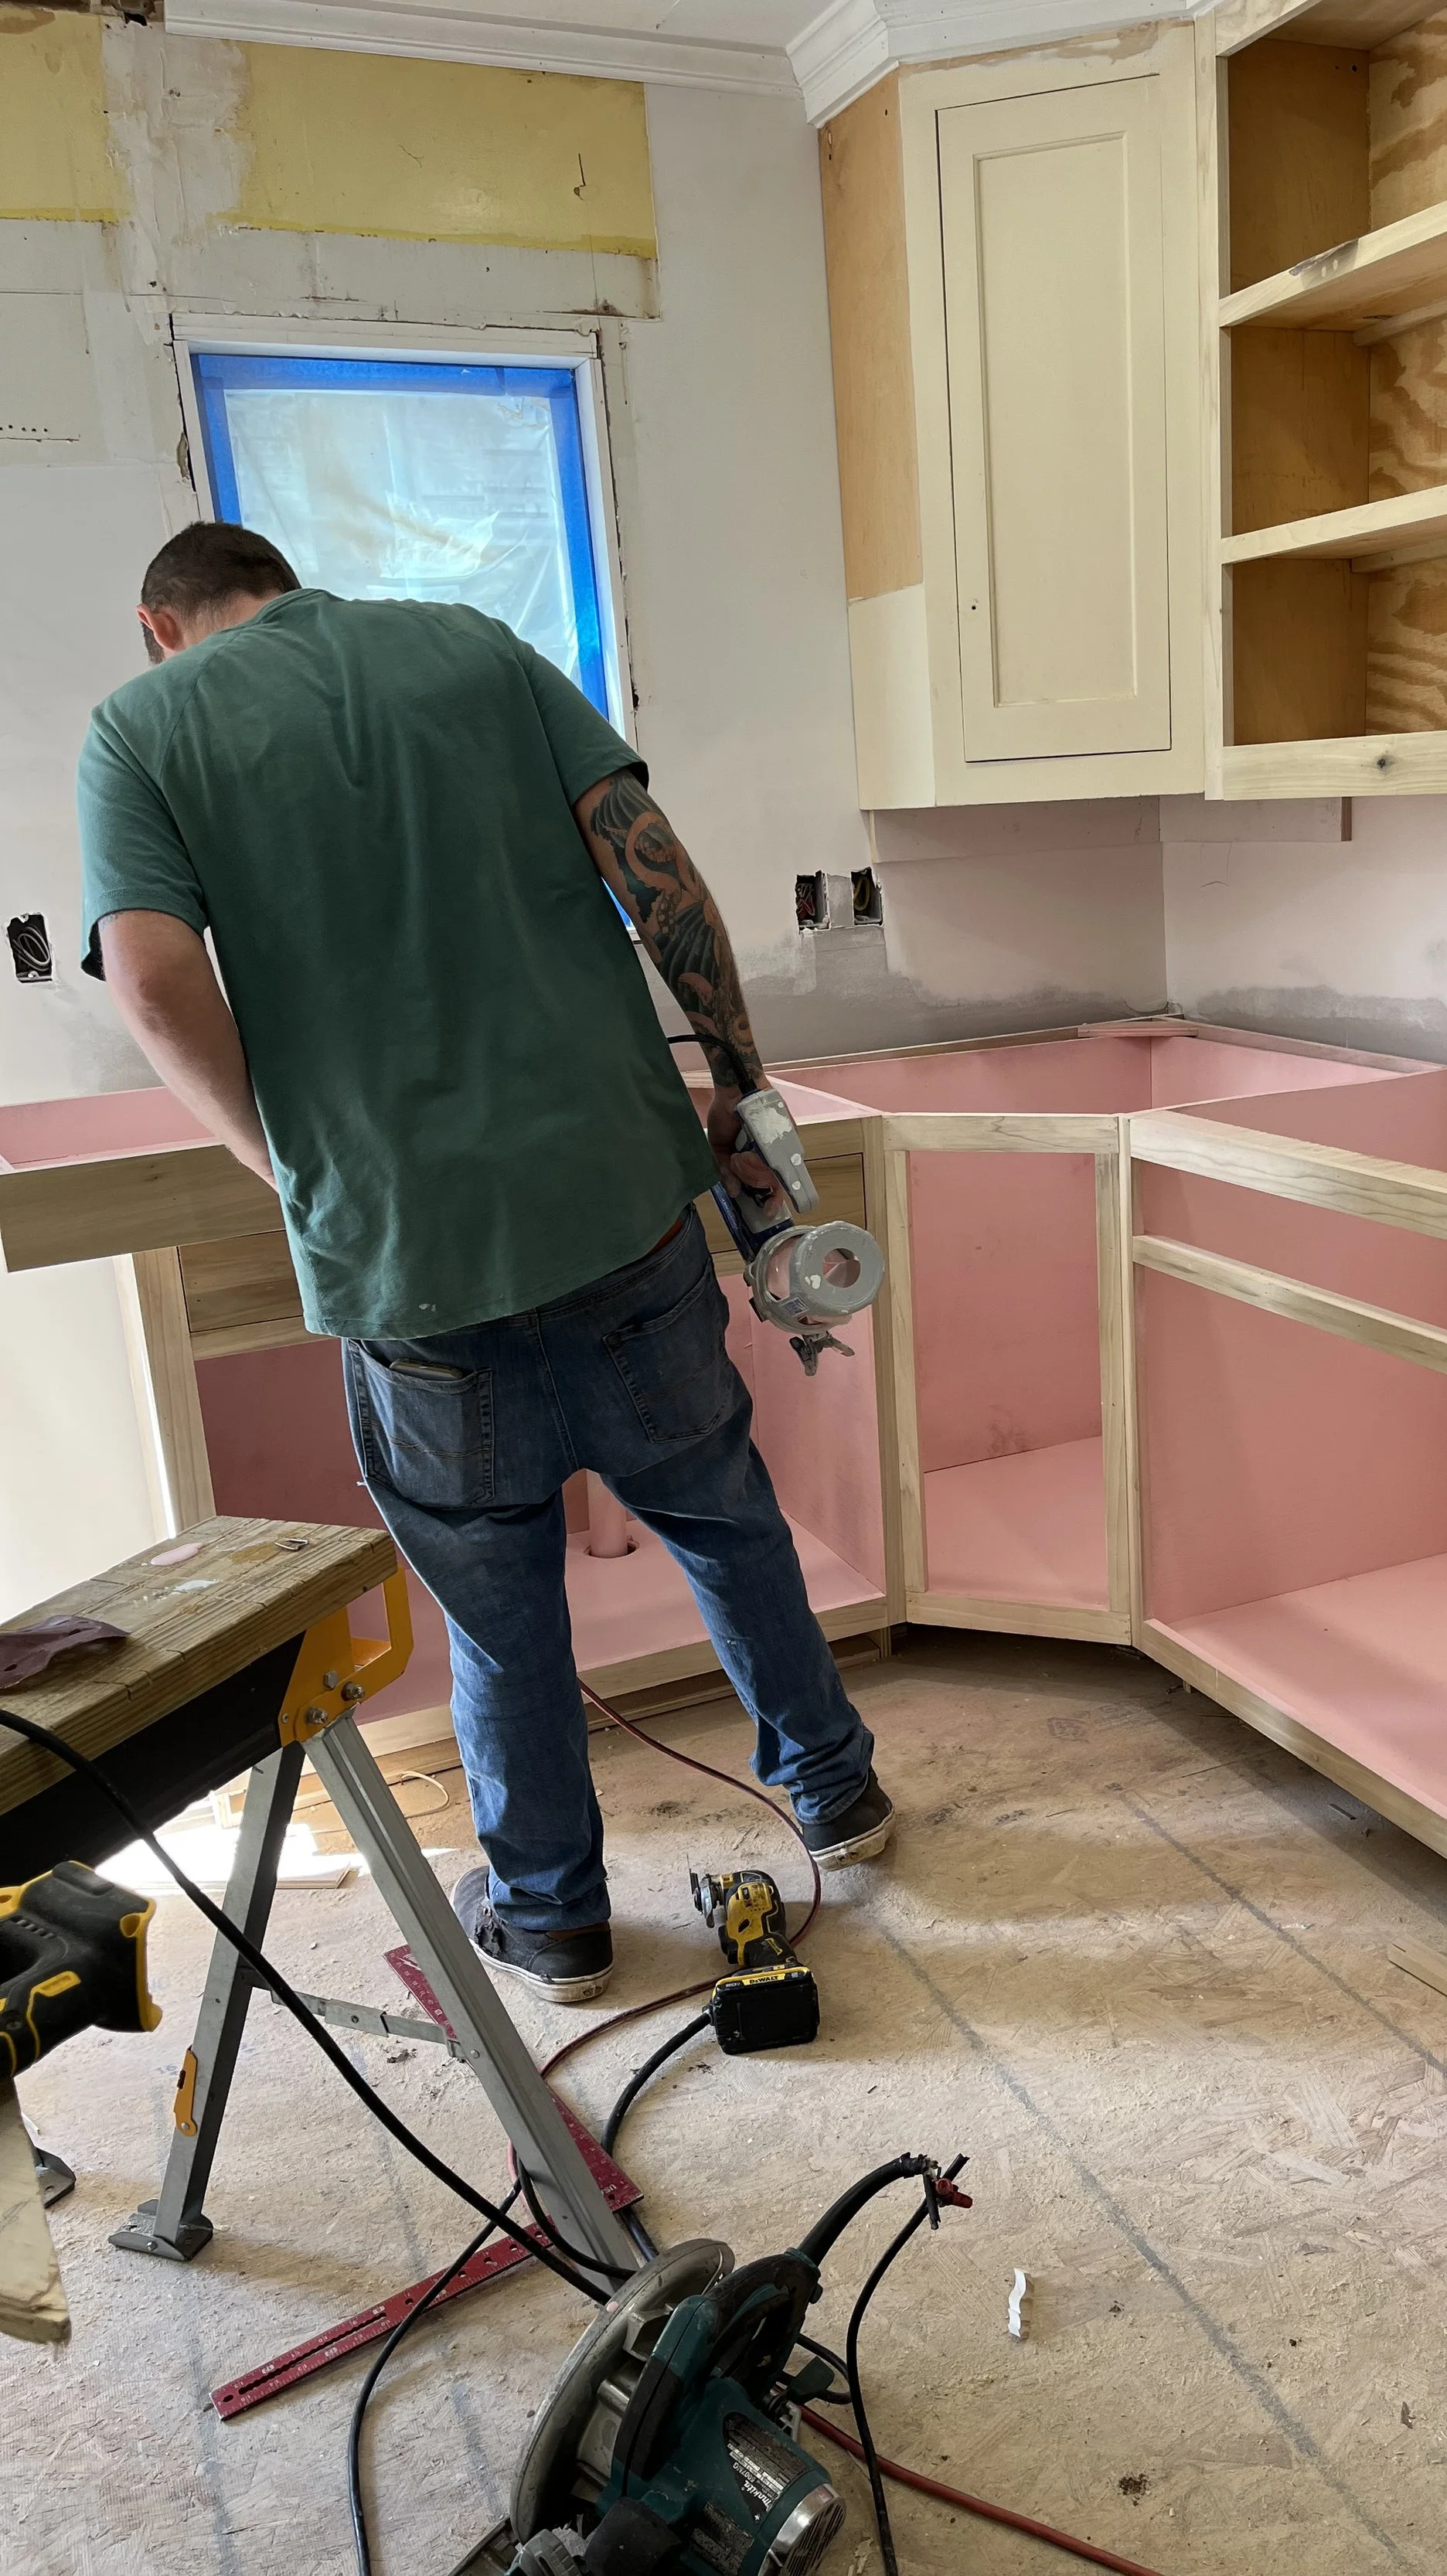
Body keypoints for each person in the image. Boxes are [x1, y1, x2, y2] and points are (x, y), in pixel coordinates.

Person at [76, 521, 895, 2004]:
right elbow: (663, 879)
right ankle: (838, 1795)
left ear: (162, 624)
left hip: (412, 1264)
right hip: (623, 1205)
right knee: (724, 1517)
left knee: (500, 1614)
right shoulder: (472, 645)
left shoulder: (142, 727)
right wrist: (745, 1088)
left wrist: (295, 1171)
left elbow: (148, 976)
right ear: (290, 584)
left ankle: (555, 1920)